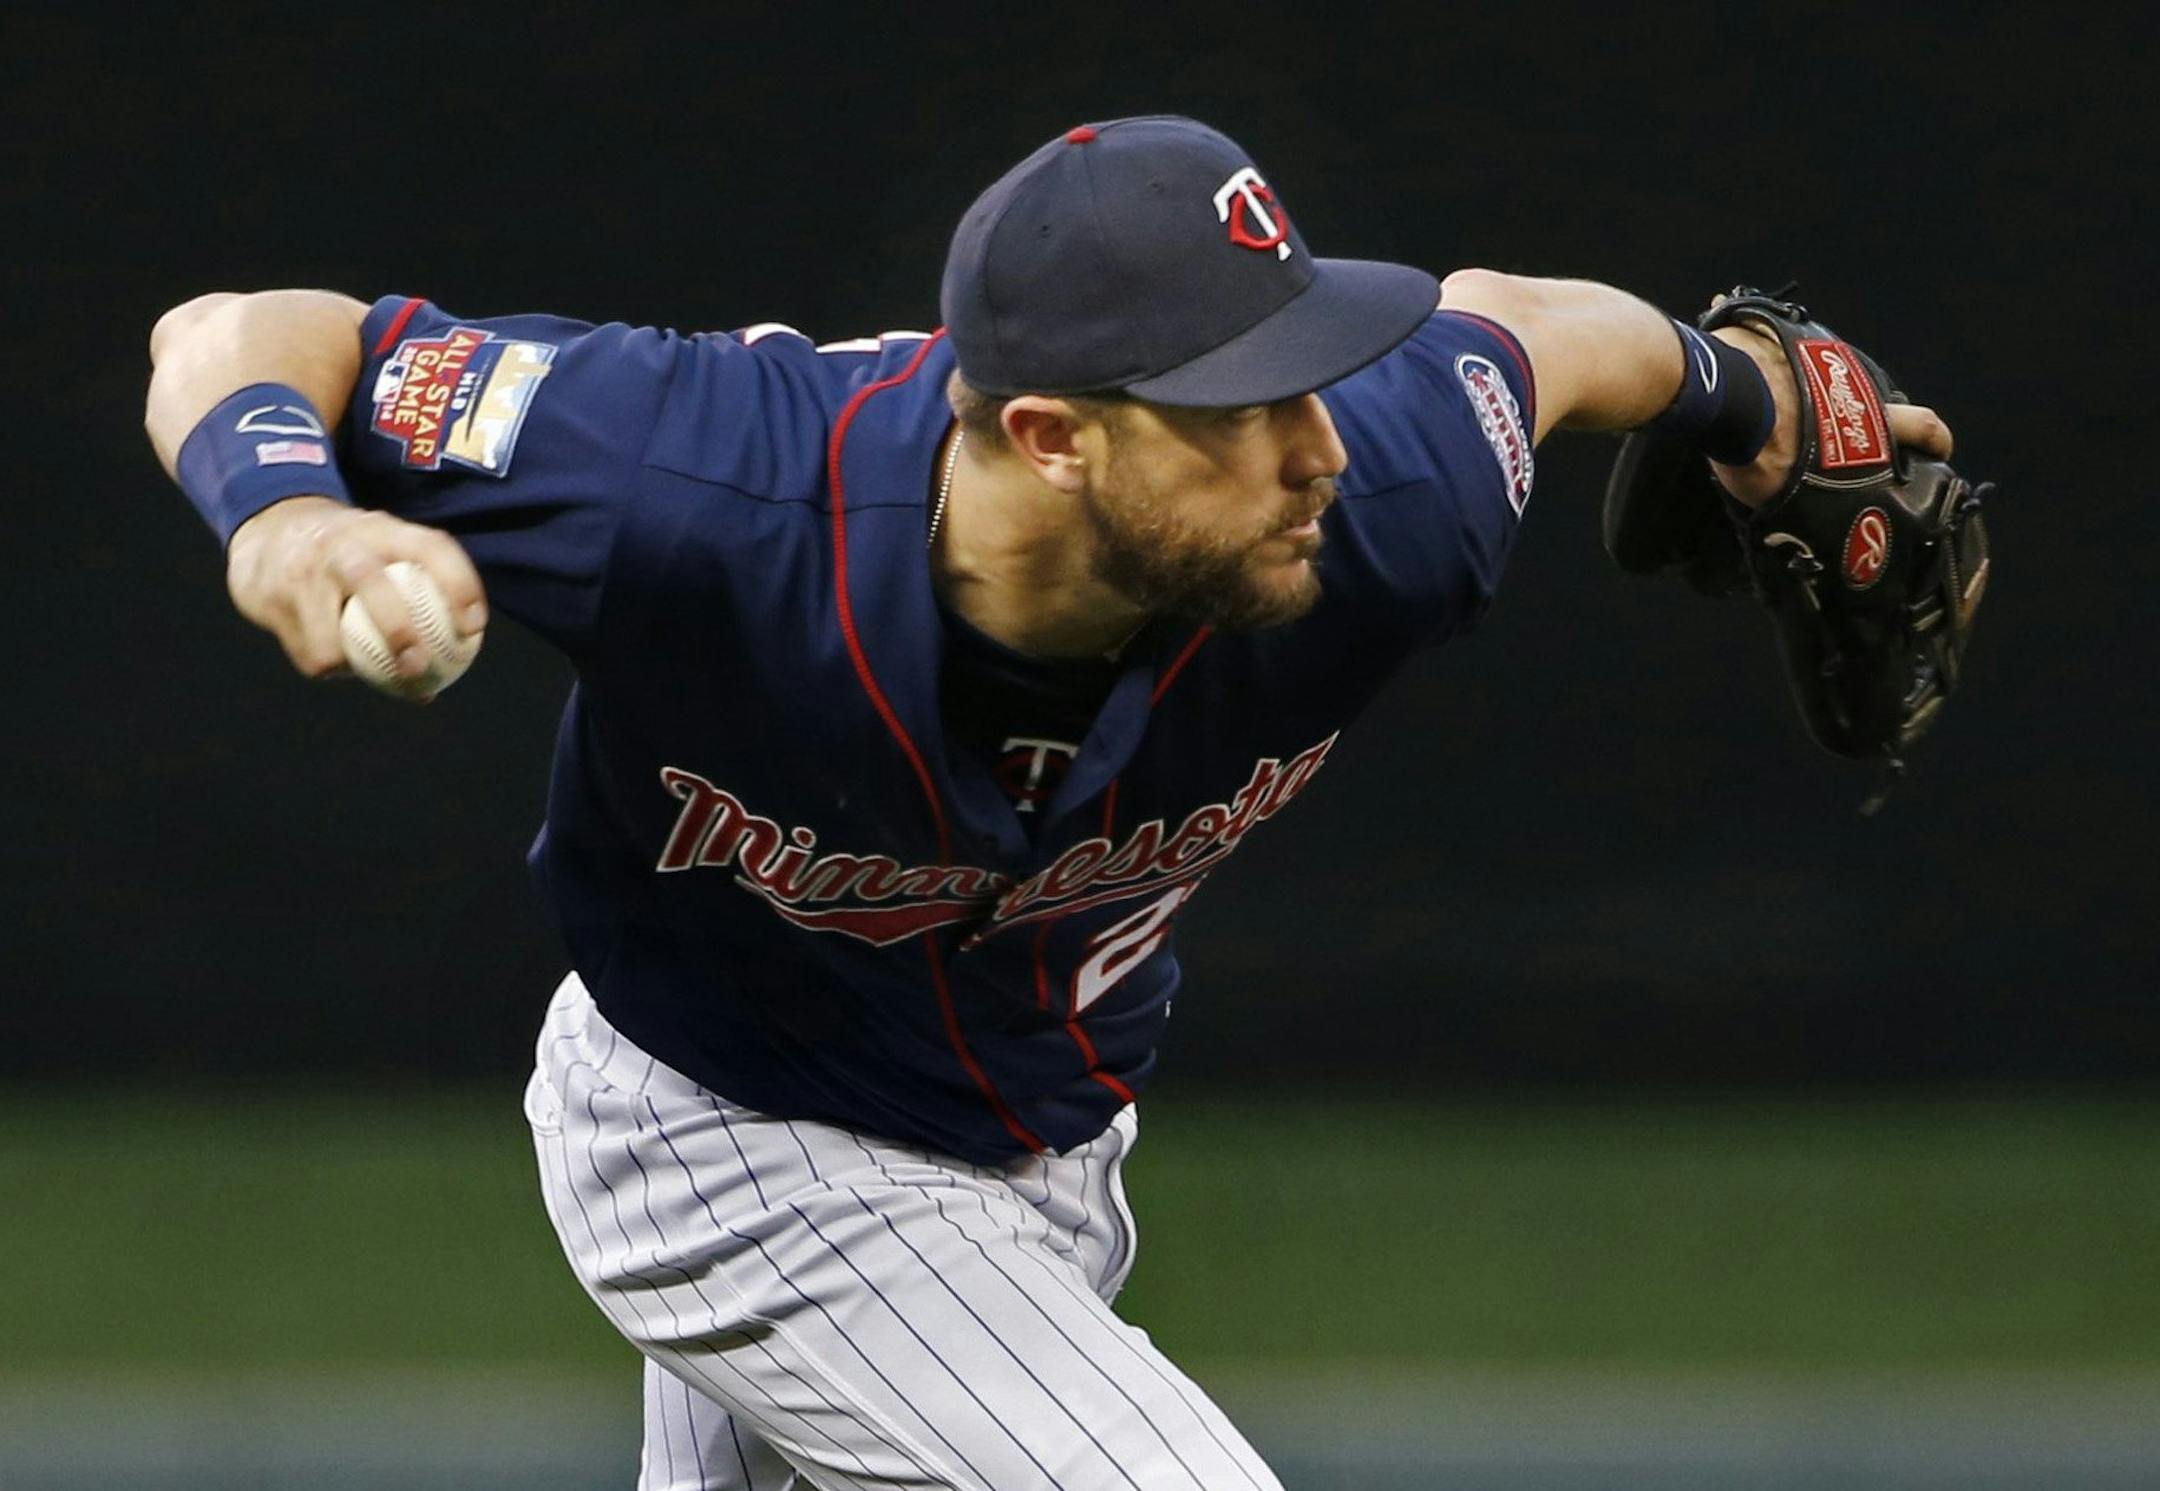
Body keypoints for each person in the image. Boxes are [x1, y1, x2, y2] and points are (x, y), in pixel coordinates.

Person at [145, 115, 1953, 1490]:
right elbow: (242, 331)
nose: (1319, 444)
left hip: (1044, 1147)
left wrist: (1740, 398)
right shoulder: (685, 480)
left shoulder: (1386, 492)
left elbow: (1525, 335)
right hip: (723, 1131)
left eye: (1310, 375)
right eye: (1242, 408)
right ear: (1051, 436)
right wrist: (292, 516)